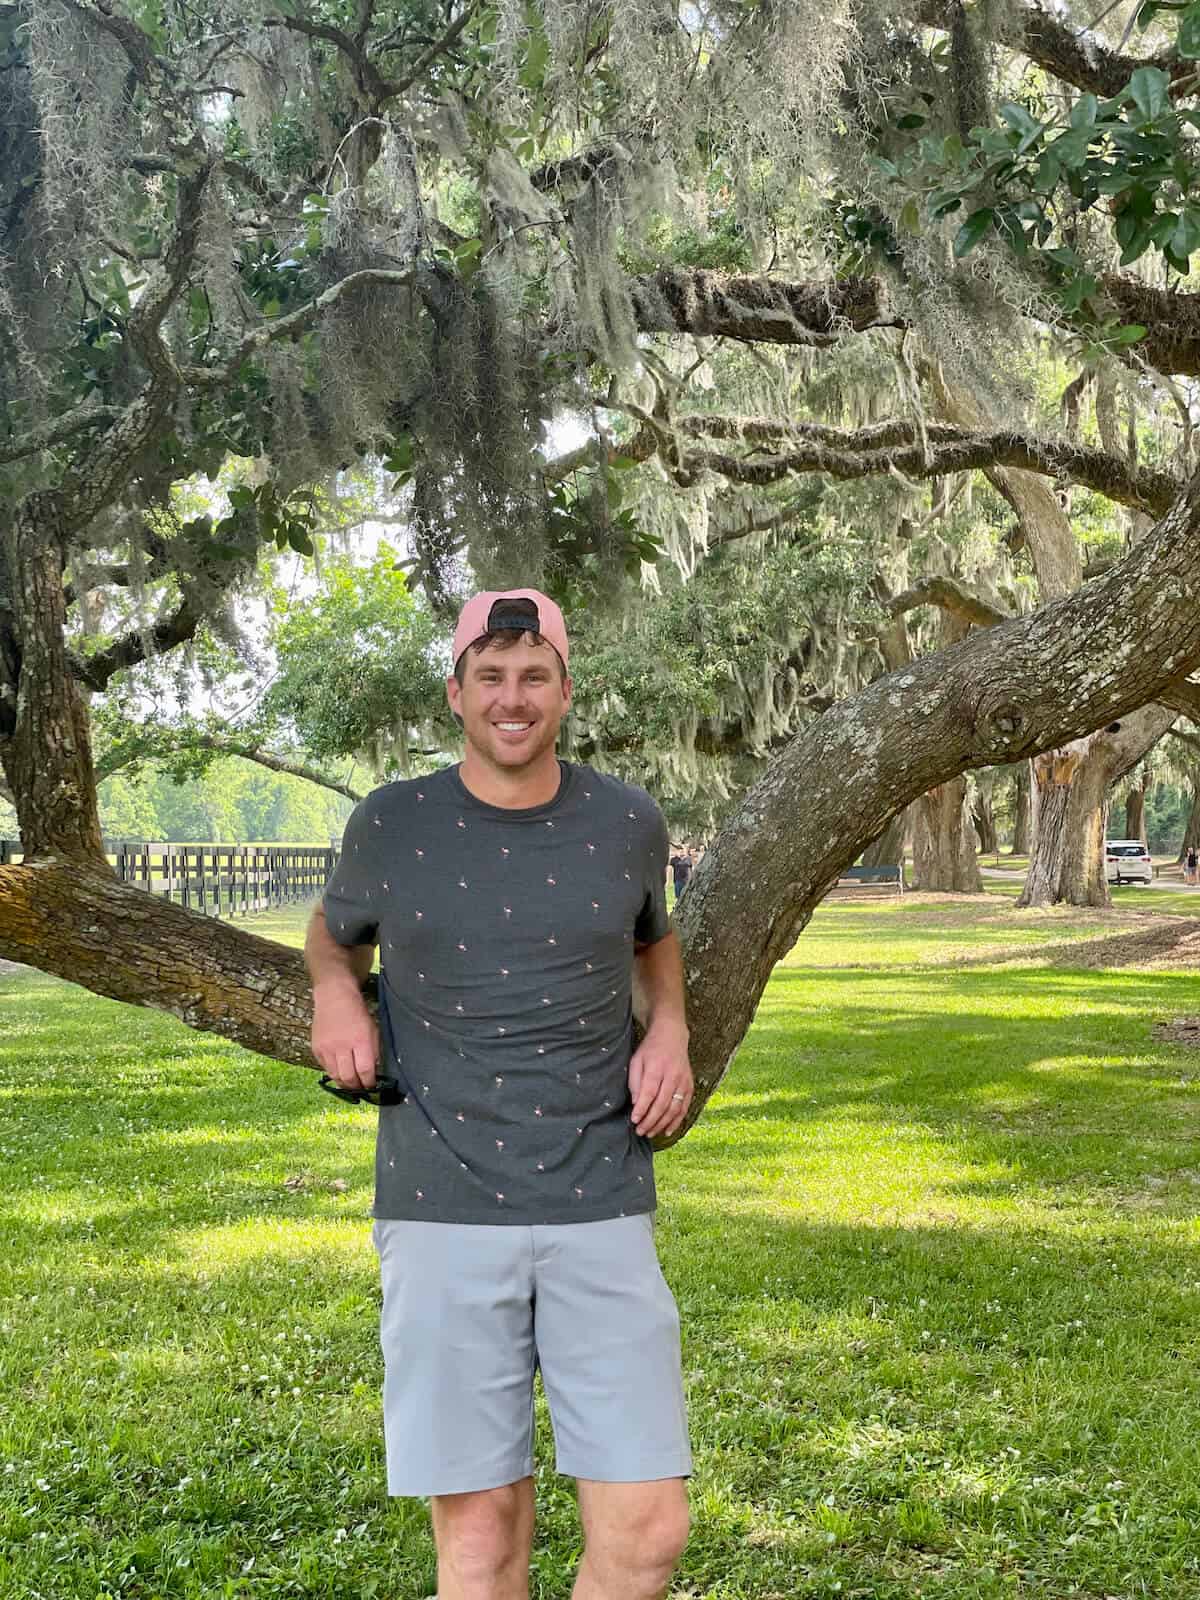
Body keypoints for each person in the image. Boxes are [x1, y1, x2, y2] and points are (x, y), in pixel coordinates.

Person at [305, 588, 693, 1600]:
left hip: (600, 1198)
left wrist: (675, 1028)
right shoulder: (392, 822)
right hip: (440, 1207)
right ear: (456, 691)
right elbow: (330, 931)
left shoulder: (627, 820)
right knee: (480, 1550)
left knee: (649, 1527)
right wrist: (336, 993)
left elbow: (655, 939)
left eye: (533, 676)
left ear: (566, 690)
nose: (511, 697)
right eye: (491, 676)